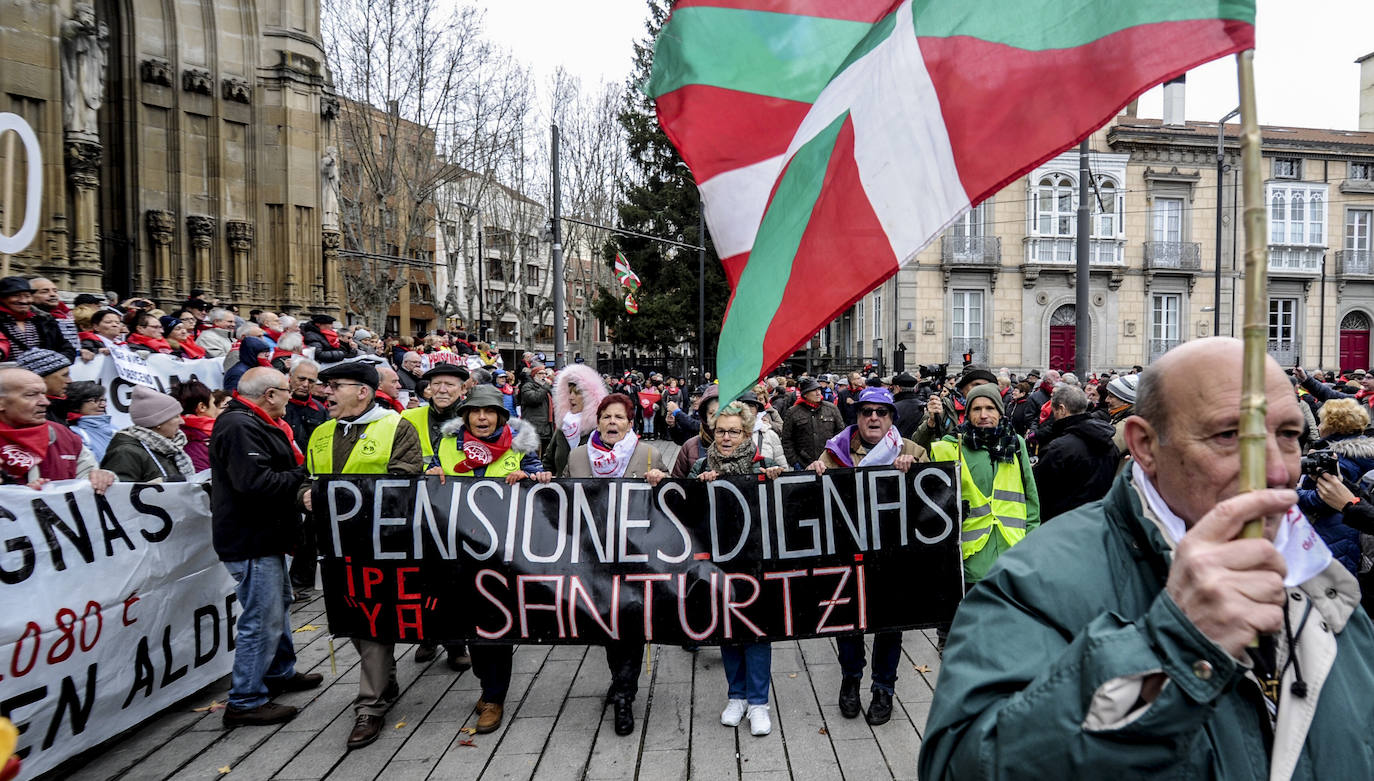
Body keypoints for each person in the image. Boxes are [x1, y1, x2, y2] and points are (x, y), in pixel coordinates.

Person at [918, 337, 1374, 780]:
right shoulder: (1033, 581)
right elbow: (964, 764)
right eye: (1232, 433)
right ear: (1145, 446)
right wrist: (1171, 648)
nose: (1277, 468)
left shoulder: (1327, 587)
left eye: (1289, 435)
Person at [300, 360, 423, 750]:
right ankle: (383, 679)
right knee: (355, 617)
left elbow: (407, 476)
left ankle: (370, 704)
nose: (327, 393)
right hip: (336, 547)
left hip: (381, 544)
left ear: (363, 392)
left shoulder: (396, 427)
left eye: (335, 386)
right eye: (326, 386)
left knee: (373, 618)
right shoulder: (320, 433)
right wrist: (304, 495)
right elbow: (307, 477)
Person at [426, 384, 549, 735]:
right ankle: (486, 683)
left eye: (489, 411)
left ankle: (495, 696)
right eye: (475, 411)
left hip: (503, 554)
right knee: (470, 625)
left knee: (498, 627)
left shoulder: (520, 444)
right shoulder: (448, 443)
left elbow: (540, 484)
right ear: (465, 415)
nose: (482, 417)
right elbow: (435, 478)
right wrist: (432, 476)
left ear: (500, 416)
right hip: (460, 550)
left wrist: (530, 478)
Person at [807, 387, 926, 725]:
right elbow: (815, 500)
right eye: (866, 411)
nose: (873, 417)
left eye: (881, 412)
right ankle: (851, 679)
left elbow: (934, 496)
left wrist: (915, 468)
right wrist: (814, 472)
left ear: (892, 418)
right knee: (848, 622)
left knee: (890, 624)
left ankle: (883, 688)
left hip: (893, 557)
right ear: (857, 417)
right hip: (850, 554)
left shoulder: (912, 450)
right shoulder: (835, 453)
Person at [211, 367, 320, 727]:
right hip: (251, 537)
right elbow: (255, 482)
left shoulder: (251, 422)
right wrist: (304, 477)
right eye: (288, 389)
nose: (294, 395)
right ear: (270, 395)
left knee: (278, 606)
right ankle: (245, 699)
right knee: (261, 618)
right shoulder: (240, 426)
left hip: (266, 535)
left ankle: (279, 673)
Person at [687, 400, 785, 736]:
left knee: (757, 630)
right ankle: (737, 696)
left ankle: (759, 703)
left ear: (746, 434)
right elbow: (681, 505)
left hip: (757, 561)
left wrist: (775, 477)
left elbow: (788, 503)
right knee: (727, 628)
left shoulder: (764, 463)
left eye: (733, 431)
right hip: (717, 562)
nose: (726, 437)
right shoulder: (701, 464)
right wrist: (697, 483)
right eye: (720, 431)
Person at [566, 393, 661, 736]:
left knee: (631, 621)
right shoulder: (578, 457)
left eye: (619, 417)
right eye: (606, 416)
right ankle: (619, 678)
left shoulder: (648, 454)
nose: (611, 423)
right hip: (593, 558)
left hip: (635, 557)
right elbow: (560, 502)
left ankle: (624, 693)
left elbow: (665, 508)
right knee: (607, 622)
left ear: (630, 423)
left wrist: (660, 480)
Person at [928, 382, 1040, 650]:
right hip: (972, 556)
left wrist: (1032, 543)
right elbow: (922, 457)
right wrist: (930, 425)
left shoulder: (1017, 444)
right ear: (967, 413)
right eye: (976, 408)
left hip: (1012, 552)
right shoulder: (952, 445)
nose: (983, 414)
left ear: (1001, 412)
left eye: (990, 407)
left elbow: (1030, 497)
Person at [401, 362, 474, 669]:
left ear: (462, 389)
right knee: (422, 576)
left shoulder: (474, 417)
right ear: (428, 387)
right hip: (418, 507)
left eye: (450, 385)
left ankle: (457, 642)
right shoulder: (408, 417)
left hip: (459, 509)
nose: (443, 390)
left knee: (456, 578)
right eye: (437, 384)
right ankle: (427, 635)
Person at [0, 368, 114, 491]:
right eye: (31, 395)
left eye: (43, 394)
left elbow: (87, 481)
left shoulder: (64, 436)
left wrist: (102, 479)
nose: (45, 402)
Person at [1296, 398, 1374, 574]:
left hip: (1335, 531)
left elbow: (1324, 496)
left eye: (1322, 421)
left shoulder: (1339, 456)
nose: (1318, 426)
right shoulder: (1360, 450)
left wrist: (1295, 493)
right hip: (1350, 528)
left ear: (1335, 426)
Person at [1032, 384, 1119, 522]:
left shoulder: (1058, 448)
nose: (1054, 416)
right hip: (1097, 520)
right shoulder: (1108, 442)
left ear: (1061, 409)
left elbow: (1040, 492)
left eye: (1054, 411)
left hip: (1062, 522)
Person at [101, 386, 197, 482]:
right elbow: (121, 493)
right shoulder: (125, 453)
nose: (182, 422)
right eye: (176, 416)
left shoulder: (170, 447)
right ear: (158, 422)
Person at [544, 363, 607, 477]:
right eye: (569, 392)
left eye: (577, 392)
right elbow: (548, 462)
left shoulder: (601, 431)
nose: (571, 397)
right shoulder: (563, 428)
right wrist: (546, 475)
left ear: (590, 397)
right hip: (562, 492)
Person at [914, 366, 998, 450]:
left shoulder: (997, 412)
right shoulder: (942, 409)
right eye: (977, 385)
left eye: (987, 386)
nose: (982, 390)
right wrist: (931, 423)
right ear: (963, 387)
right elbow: (917, 446)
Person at [0, 277, 75, 361]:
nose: (24, 300)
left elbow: (67, 349)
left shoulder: (45, 321)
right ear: (2, 299)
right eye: (16, 296)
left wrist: (52, 363)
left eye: (27, 296)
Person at [780, 376, 844, 469]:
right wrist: (794, 461)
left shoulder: (831, 409)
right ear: (805, 394)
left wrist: (836, 455)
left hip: (830, 462)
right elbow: (787, 439)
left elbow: (841, 434)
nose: (818, 393)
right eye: (814, 390)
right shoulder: (793, 412)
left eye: (819, 389)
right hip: (804, 465)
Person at [174, 378, 221, 472]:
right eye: (214, 403)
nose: (217, 409)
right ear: (202, 407)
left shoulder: (205, 436)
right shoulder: (192, 444)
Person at [63, 380, 115, 461]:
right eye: (95, 400)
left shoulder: (113, 428)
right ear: (76, 405)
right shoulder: (75, 433)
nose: (103, 405)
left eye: (103, 400)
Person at [28, 277, 80, 355]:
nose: (52, 294)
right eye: (44, 292)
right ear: (30, 296)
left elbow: (66, 347)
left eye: (55, 291)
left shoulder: (54, 318)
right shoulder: (27, 320)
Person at [15, 348, 71, 421]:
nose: (69, 381)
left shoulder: (59, 407)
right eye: (64, 375)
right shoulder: (33, 416)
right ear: (40, 378)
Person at [518, 365, 554, 450]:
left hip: (546, 426)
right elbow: (535, 399)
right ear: (534, 375)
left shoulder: (545, 387)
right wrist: (545, 387)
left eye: (545, 373)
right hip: (535, 427)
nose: (544, 376)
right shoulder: (527, 386)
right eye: (541, 373)